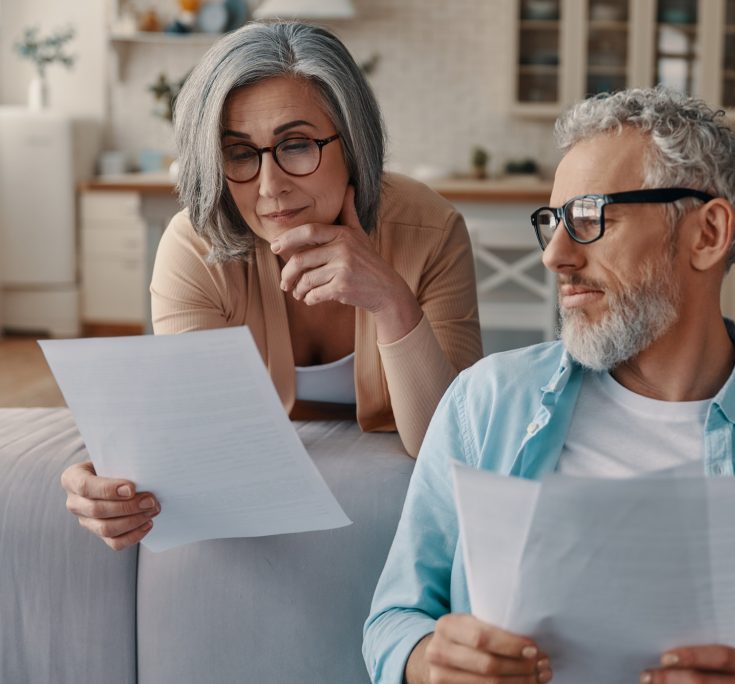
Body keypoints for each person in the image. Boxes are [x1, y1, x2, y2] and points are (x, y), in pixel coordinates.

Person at [364, 88, 735, 683]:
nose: (554, 255)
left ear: (707, 234)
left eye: (588, 218)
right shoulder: (484, 404)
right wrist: (429, 664)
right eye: (552, 222)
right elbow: (394, 620)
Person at [60, 22, 482, 550]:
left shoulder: (431, 229)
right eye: (239, 153)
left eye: (297, 144)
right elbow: (194, 432)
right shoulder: (196, 246)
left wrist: (389, 298)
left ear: (353, 143)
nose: (269, 186)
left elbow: (449, 449)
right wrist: (110, 473)